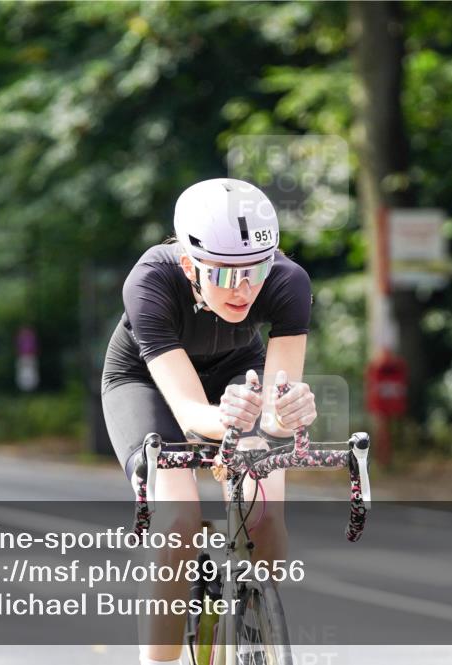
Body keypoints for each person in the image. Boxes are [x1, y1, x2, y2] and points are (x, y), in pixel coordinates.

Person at [101, 177, 318, 665]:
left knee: (263, 517)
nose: (242, 290)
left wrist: (287, 413)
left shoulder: (288, 282)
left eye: (256, 270)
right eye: (222, 274)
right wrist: (234, 420)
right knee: (178, 522)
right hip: (149, 383)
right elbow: (190, 415)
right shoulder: (149, 281)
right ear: (188, 265)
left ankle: (247, 618)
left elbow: (277, 404)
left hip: (235, 376)